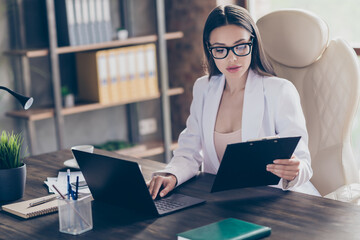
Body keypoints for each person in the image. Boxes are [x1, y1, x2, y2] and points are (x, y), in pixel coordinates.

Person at [148, 4, 320, 199]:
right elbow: (189, 151)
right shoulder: (203, 88)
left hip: (276, 201)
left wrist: (294, 170)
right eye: (220, 49)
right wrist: (172, 174)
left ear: (253, 44)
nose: (232, 58)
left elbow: (303, 164)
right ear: (209, 49)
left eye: (240, 46)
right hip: (223, 202)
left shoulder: (279, 91)